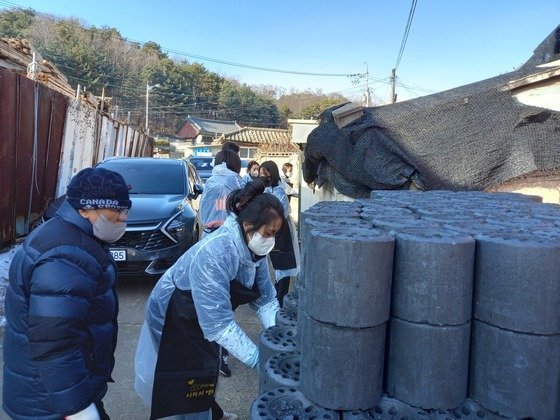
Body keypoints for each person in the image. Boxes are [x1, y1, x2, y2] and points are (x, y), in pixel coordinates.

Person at [134, 181, 283, 420]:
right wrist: (258, 359)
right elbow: (220, 325)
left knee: (206, 364)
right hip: (175, 311)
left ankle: (210, 413)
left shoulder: (256, 252)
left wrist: (280, 339)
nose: (271, 240)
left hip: (206, 313)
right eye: (268, 233)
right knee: (182, 370)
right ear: (247, 225)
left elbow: (265, 300)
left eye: (276, 234)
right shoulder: (216, 252)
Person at [3, 167, 131, 420]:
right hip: (51, 402)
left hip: (51, 393)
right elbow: (55, 342)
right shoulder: (65, 256)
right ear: (85, 209)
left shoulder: (70, 237)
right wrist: (78, 410)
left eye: (125, 210)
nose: (123, 218)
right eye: (116, 211)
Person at [258, 161, 300, 307]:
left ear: (272, 173)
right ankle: (272, 295)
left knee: (283, 263)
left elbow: (283, 212)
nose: (262, 176)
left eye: (265, 173)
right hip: (263, 231)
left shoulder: (279, 190)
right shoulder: (260, 190)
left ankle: (280, 296)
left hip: (280, 232)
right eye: (261, 173)